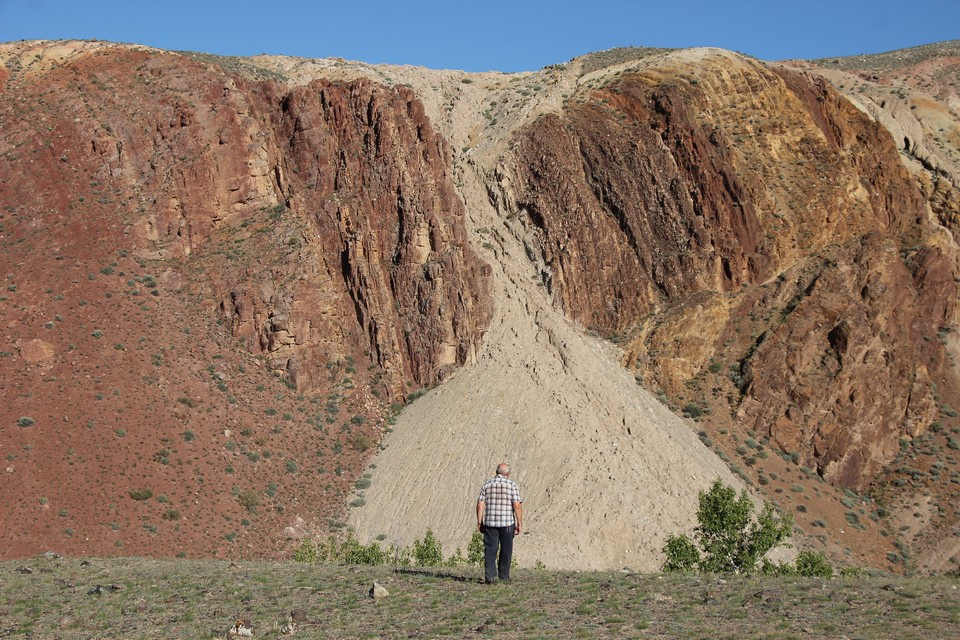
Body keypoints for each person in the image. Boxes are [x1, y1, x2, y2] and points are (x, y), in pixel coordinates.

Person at [476, 462, 523, 584]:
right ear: (507, 473)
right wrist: (519, 523)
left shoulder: (487, 484)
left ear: (496, 472)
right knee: (506, 550)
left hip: (490, 522)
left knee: (490, 549)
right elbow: (517, 506)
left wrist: (479, 521)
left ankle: (490, 577)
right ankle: (504, 576)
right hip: (507, 523)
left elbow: (480, 504)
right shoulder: (512, 485)